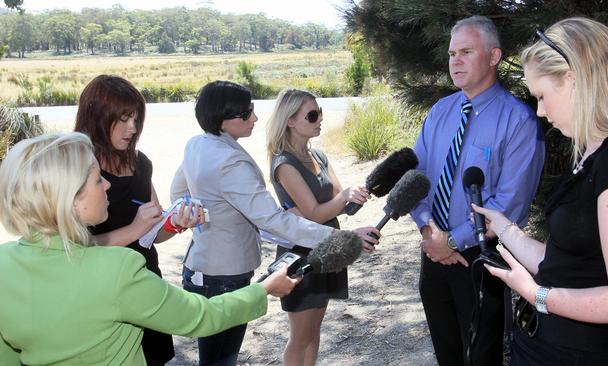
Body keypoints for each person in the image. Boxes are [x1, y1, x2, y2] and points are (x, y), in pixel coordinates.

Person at [0, 132, 300, 365]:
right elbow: (200, 316)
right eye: (96, 180)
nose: (107, 185)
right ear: (70, 199)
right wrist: (264, 289)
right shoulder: (117, 269)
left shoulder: (4, 265)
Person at [473, 17, 608, 365]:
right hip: (540, 346)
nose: (540, 111)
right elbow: (568, 263)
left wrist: (536, 294)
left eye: (541, 96)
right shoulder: (590, 154)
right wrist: (504, 228)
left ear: (573, 80)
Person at [170, 80, 380, 366]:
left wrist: (200, 218)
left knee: (216, 357)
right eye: (246, 114)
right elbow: (274, 220)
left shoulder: (197, 145)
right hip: (224, 276)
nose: (254, 117)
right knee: (221, 358)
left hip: (202, 264)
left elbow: (178, 194)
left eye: (252, 110)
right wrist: (343, 239)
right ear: (223, 119)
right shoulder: (231, 161)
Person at [409, 15, 545, 366]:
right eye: (452, 53)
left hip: (482, 260)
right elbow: (416, 180)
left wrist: (452, 241)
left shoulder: (519, 121)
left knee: (480, 356)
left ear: (494, 56)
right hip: (432, 253)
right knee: (447, 353)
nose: (455, 61)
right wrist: (430, 231)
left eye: (466, 51)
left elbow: (509, 205)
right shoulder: (440, 111)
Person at [73, 74, 202, 365]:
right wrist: (135, 228)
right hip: (98, 294)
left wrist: (175, 222)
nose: (133, 128)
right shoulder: (75, 167)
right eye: (124, 118)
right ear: (97, 116)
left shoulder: (140, 163)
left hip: (143, 283)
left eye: (136, 118)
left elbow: (152, 231)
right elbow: (72, 249)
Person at [265, 88, 373, 366]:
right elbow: (314, 213)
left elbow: (340, 205)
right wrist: (342, 197)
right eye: (312, 115)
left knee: (314, 333)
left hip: (329, 249)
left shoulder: (320, 157)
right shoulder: (284, 164)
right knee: (300, 336)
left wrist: (359, 194)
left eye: (320, 113)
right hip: (303, 254)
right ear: (290, 120)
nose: (319, 120)